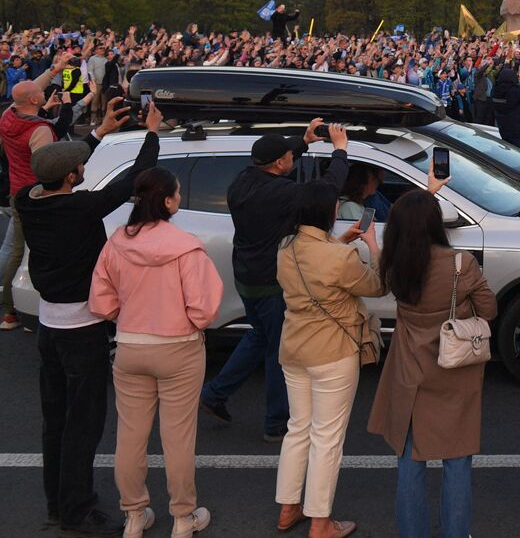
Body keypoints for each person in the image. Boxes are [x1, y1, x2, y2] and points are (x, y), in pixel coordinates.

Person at [18, 96, 161, 536]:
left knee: (55, 421)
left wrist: (97, 134)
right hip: (83, 329)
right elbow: (137, 178)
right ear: (72, 177)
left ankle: (57, 504)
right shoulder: (79, 208)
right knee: (84, 425)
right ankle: (76, 510)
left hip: (49, 327)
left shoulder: (28, 199)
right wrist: (152, 131)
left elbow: (60, 167)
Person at [89, 167, 223, 538]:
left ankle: (134, 515)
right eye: (177, 193)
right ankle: (183, 517)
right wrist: (188, 323)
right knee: (178, 436)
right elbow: (205, 307)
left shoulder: (117, 241)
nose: (179, 198)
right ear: (166, 201)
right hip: (179, 347)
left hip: (131, 345)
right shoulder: (185, 245)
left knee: (130, 436)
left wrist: (128, 316)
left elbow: (101, 302)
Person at [201, 120, 350, 443]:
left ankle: (215, 393)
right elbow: (326, 191)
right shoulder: (282, 193)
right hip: (272, 281)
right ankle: (276, 422)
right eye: (289, 156)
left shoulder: (242, 181)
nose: (292, 161)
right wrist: (340, 151)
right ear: (280, 163)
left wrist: (303, 141)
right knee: (280, 350)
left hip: (246, 276)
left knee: (259, 336)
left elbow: (279, 161)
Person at [368, 182, 493, 538]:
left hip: (411, 371)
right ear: (436, 223)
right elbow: (490, 309)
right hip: (454, 373)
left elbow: (406, 232)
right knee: (457, 458)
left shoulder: (395, 266)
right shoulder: (460, 264)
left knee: (410, 458)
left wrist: (424, 192)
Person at [275, 176, 383, 538]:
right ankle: (321, 522)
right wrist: (372, 244)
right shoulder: (340, 256)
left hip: (293, 348)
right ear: (329, 210)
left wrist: (340, 242)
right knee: (327, 437)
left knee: (298, 428)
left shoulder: (285, 248)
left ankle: (288, 508)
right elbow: (377, 284)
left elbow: (315, 269)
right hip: (332, 352)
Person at [0, 49, 72, 331]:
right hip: (34, 194)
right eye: (40, 94)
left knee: (10, 247)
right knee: (24, 251)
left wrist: (56, 69)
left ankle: (7, 302)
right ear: (34, 100)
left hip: (16, 190)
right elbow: (47, 166)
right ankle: (10, 310)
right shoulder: (40, 129)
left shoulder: (9, 116)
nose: (44, 93)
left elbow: (31, 90)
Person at [492, 65, 520, 152]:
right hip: (518, 129)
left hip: (504, 128)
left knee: (509, 153)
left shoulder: (495, 91)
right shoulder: (514, 91)